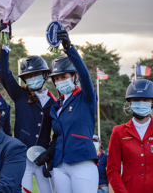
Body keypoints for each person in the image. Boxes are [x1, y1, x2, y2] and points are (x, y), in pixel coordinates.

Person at [0, 26, 56, 192]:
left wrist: (49, 154)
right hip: (22, 157)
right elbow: (3, 72)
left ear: (45, 75)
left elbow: (58, 133)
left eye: (36, 74)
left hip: (43, 157)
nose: (32, 78)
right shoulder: (20, 95)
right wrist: (5, 45)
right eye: (28, 76)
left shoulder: (55, 103)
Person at [44, 30, 98, 193]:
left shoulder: (85, 97)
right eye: (57, 78)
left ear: (74, 77)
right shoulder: (56, 106)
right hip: (60, 165)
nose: (60, 80)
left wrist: (69, 48)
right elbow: (59, 136)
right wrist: (50, 157)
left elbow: (85, 75)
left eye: (64, 76)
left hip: (82, 161)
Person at [107, 79, 153, 193]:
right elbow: (112, 170)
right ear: (130, 103)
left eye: (146, 100)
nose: (141, 103)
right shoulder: (118, 131)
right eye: (137, 100)